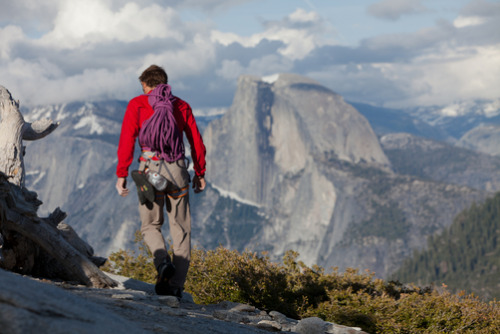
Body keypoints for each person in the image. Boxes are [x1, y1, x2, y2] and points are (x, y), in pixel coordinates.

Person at [115, 64, 206, 297]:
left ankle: (162, 262)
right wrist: (200, 172)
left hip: (149, 171)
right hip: (177, 171)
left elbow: (127, 139)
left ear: (145, 85)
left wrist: (122, 174)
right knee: (181, 229)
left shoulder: (138, 104)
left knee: (150, 225)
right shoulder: (182, 105)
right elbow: (196, 141)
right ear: (164, 84)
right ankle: (174, 287)